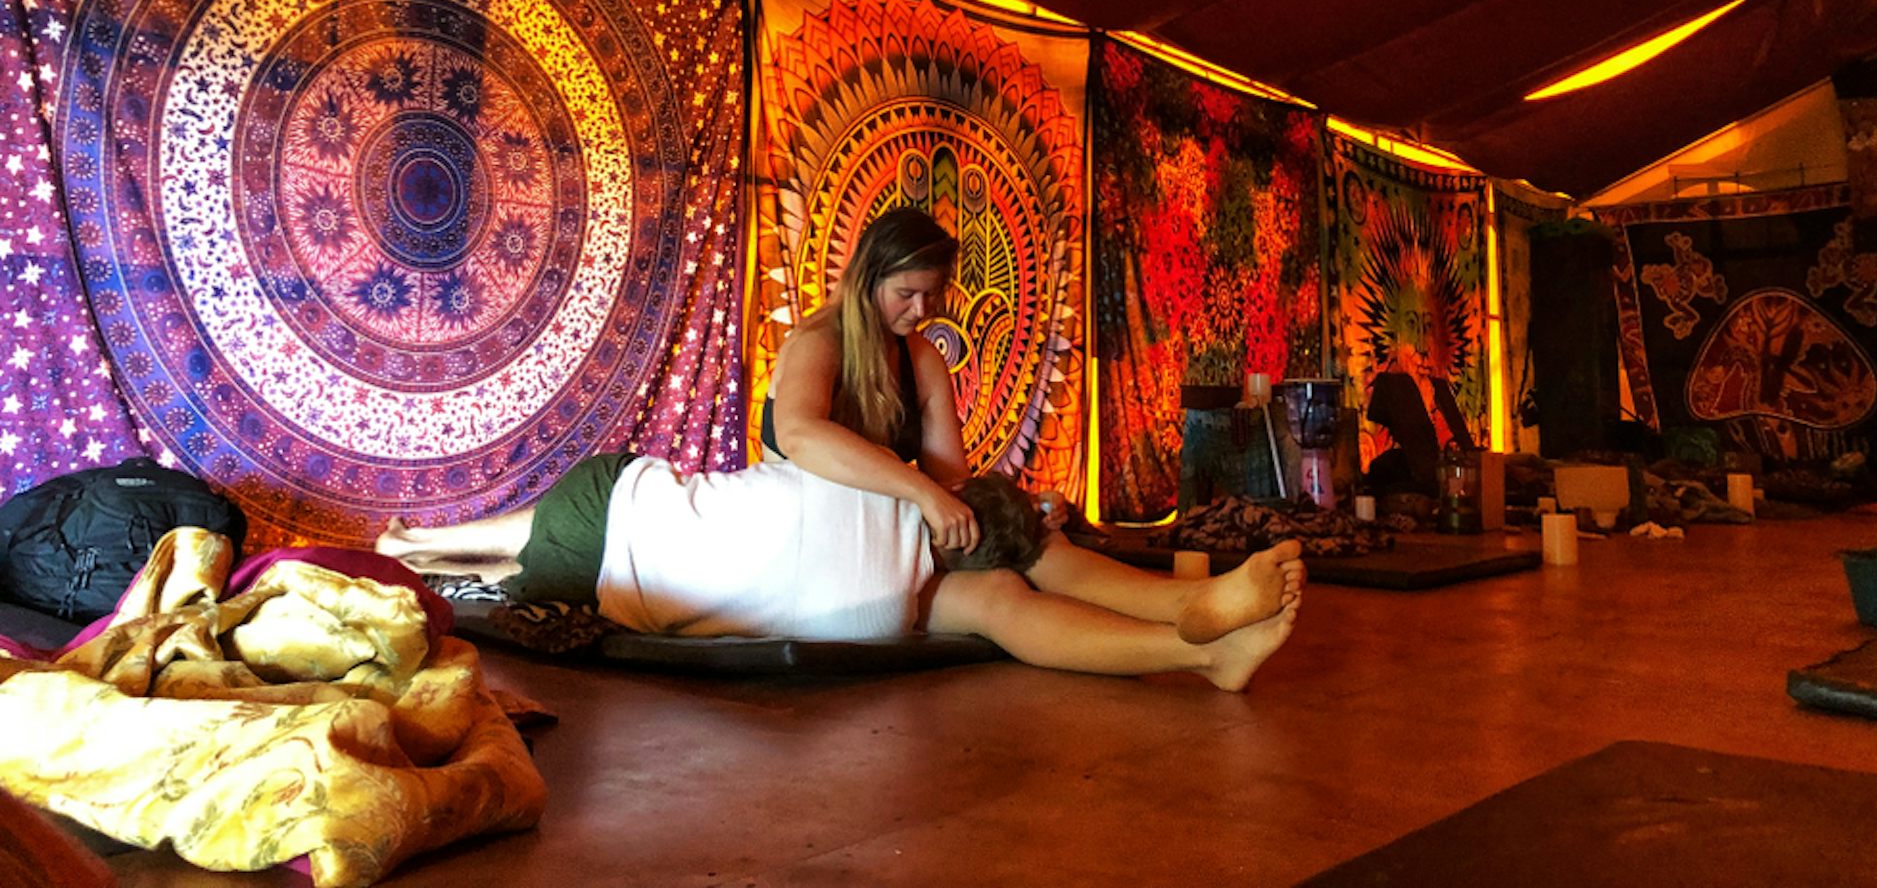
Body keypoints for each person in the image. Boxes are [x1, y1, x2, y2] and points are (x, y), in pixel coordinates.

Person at [377, 463, 1306, 692]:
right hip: (634, 537)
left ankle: (1199, 627)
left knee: (542, 532)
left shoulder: (889, 489)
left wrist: (427, 548)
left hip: (627, 529)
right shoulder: (910, 513)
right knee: (1009, 581)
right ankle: (1191, 632)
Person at [758, 207, 988, 555]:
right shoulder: (817, 341)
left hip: (883, 543)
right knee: (1001, 593)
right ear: (868, 279)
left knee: (1039, 553)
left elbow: (952, 484)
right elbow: (798, 434)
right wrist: (920, 491)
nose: (922, 310)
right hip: (802, 546)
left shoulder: (923, 359)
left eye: (932, 293)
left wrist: (1022, 508)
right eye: (906, 294)